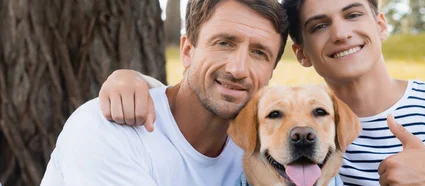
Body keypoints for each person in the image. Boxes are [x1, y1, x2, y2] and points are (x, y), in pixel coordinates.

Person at [101, 0, 425, 185]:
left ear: (381, 22)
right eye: (320, 25)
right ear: (302, 53)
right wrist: (132, 79)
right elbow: (202, 107)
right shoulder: (273, 138)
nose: (342, 33)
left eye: (353, 14)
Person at [39, 0, 288, 185]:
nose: (238, 69)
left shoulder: (264, 148)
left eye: (259, 53)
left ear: (271, 72)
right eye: (224, 43)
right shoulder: (109, 130)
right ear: (187, 51)